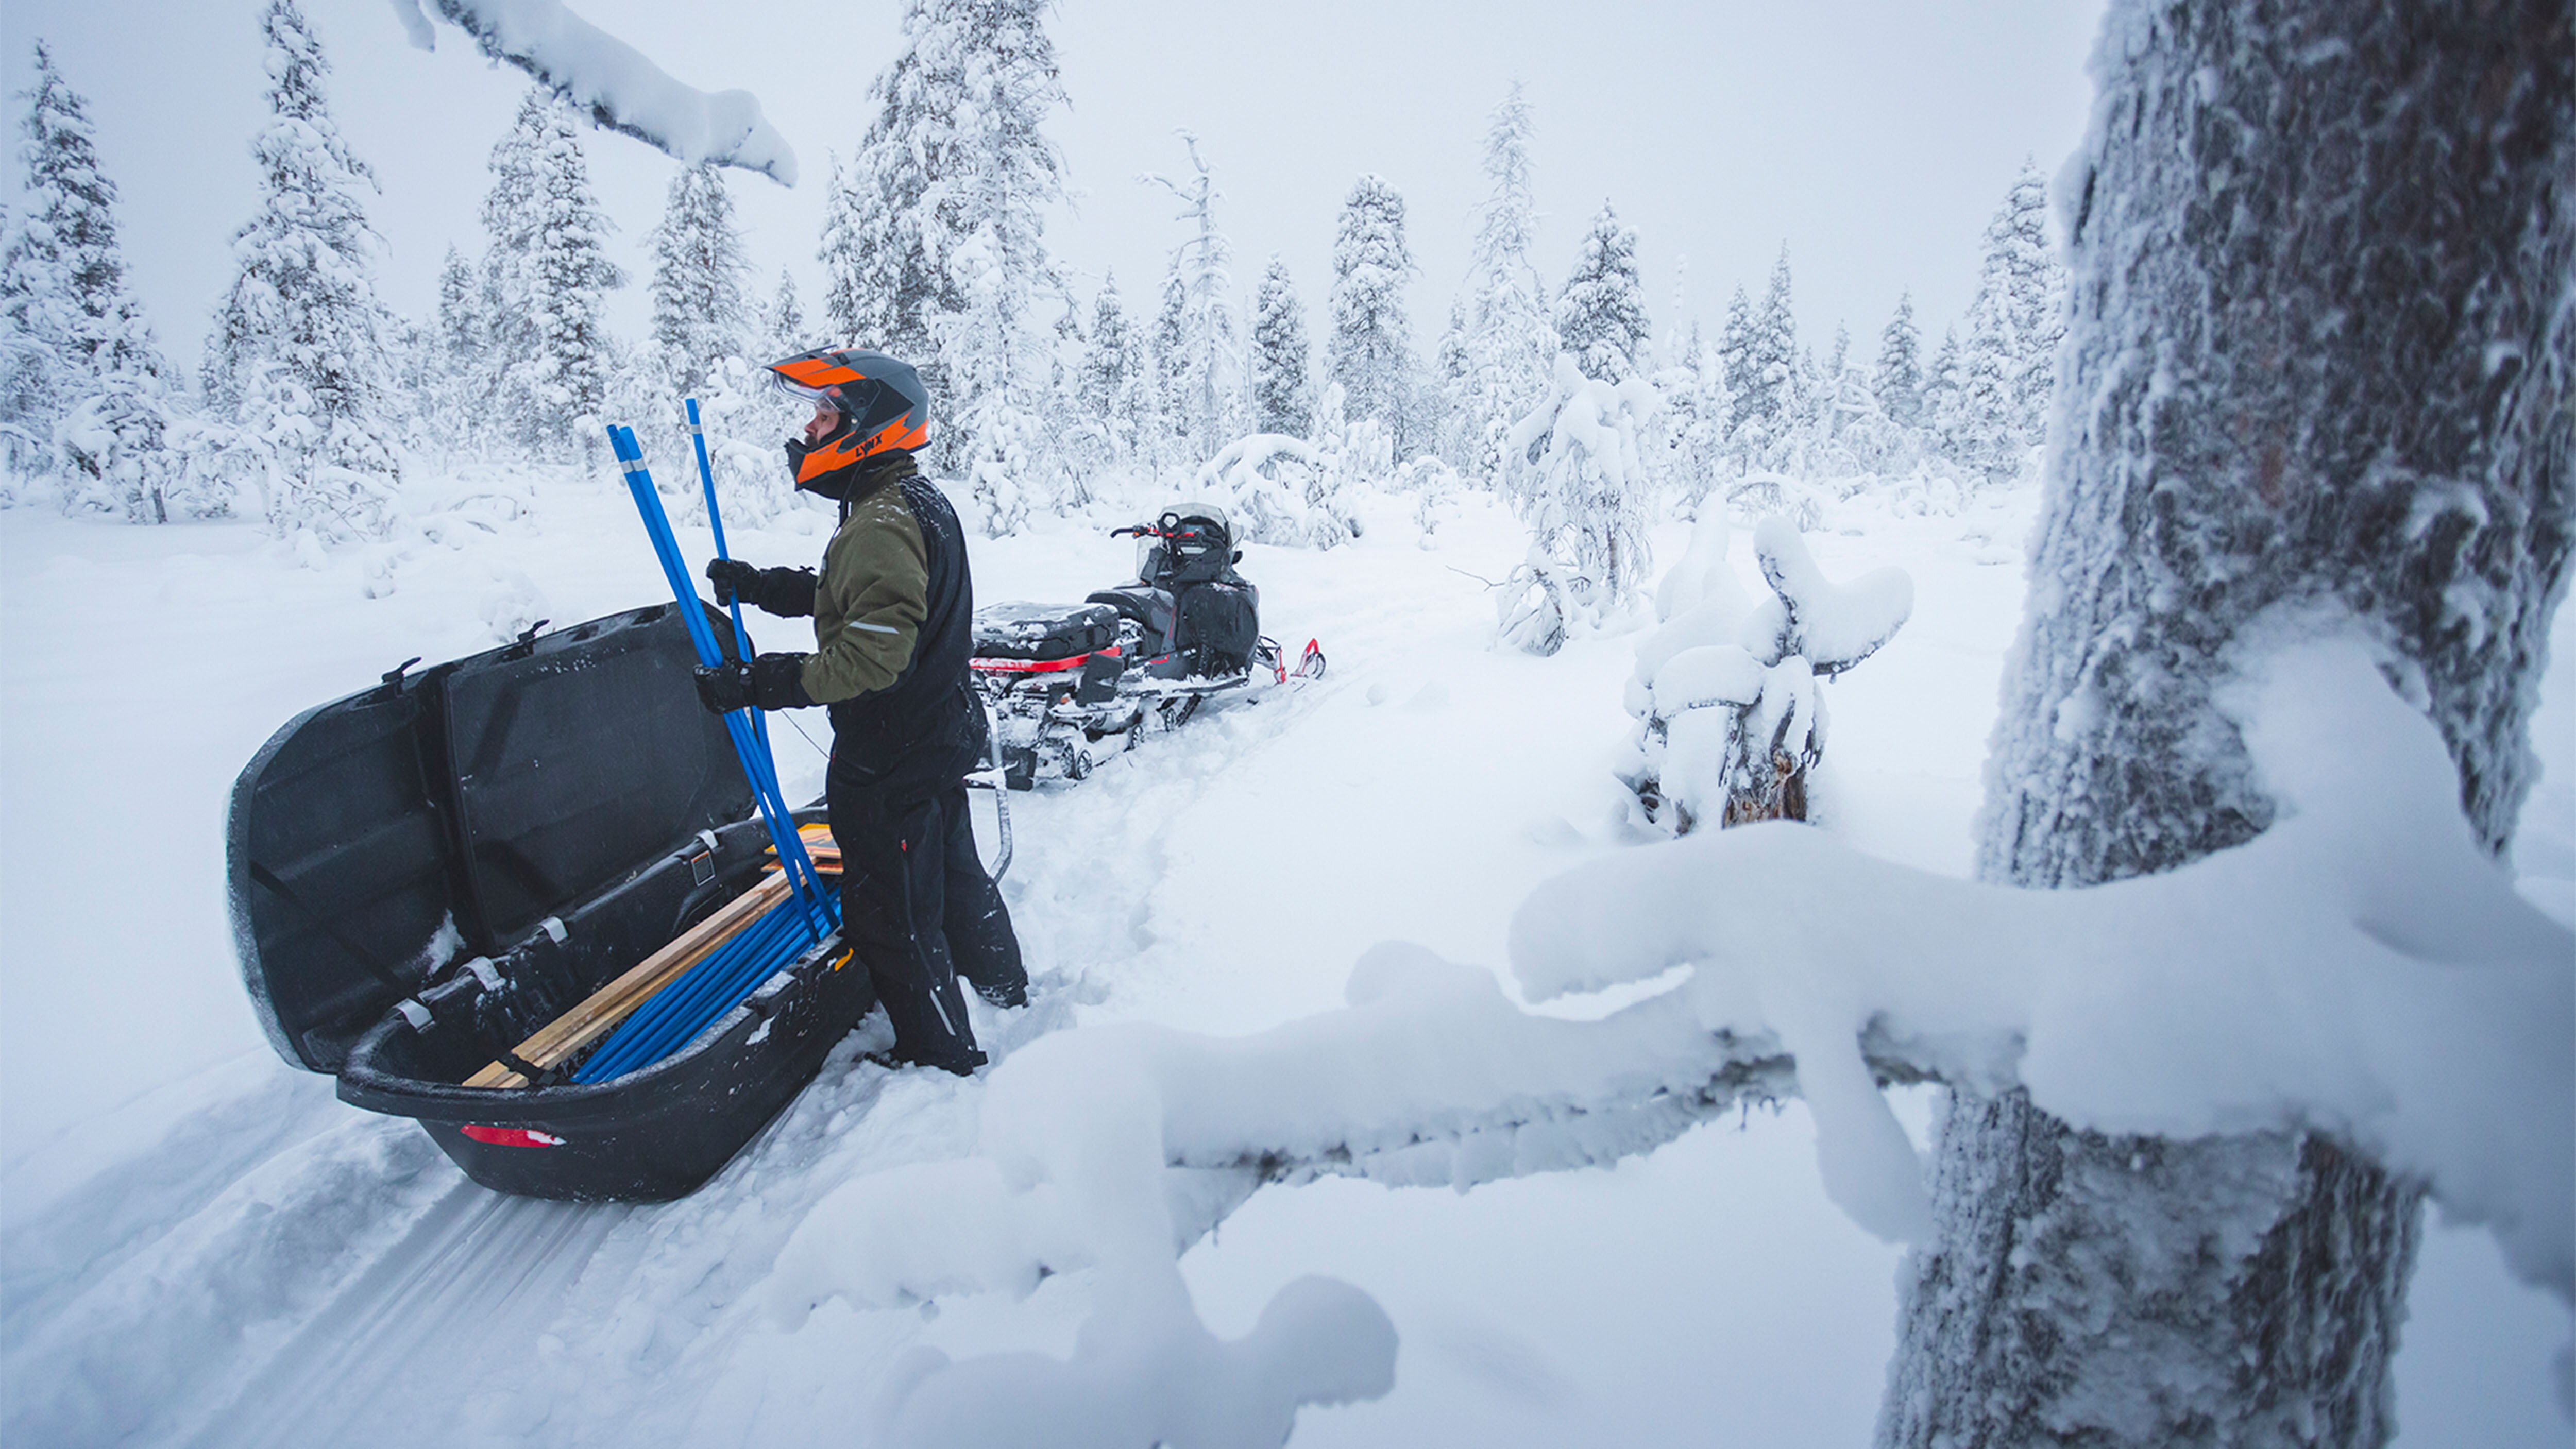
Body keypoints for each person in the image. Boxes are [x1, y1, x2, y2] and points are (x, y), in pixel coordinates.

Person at [691, 348, 1025, 1076]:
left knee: (895, 918)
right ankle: (1006, 985)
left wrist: (761, 683)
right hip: (932, 730)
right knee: (955, 873)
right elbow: (857, 595)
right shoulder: (905, 499)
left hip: (892, 753)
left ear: (868, 426)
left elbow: (873, 659)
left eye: (825, 414)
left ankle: (944, 1058)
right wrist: (762, 586)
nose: (810, 428)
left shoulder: (881, 517)